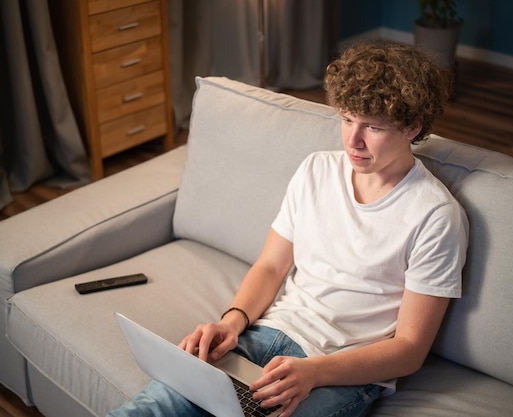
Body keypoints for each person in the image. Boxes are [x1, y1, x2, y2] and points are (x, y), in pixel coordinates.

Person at [107, 39, 468, 417]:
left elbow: (410, 348)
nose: (353, 140)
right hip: (265, 334)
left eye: (373, 127)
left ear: (413, 126)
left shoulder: (435, 215)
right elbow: (271, 266)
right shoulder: (316, 170)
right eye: (346, 119)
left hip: (339, 370)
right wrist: (231, 323)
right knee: (149, 409)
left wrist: (312, 373)